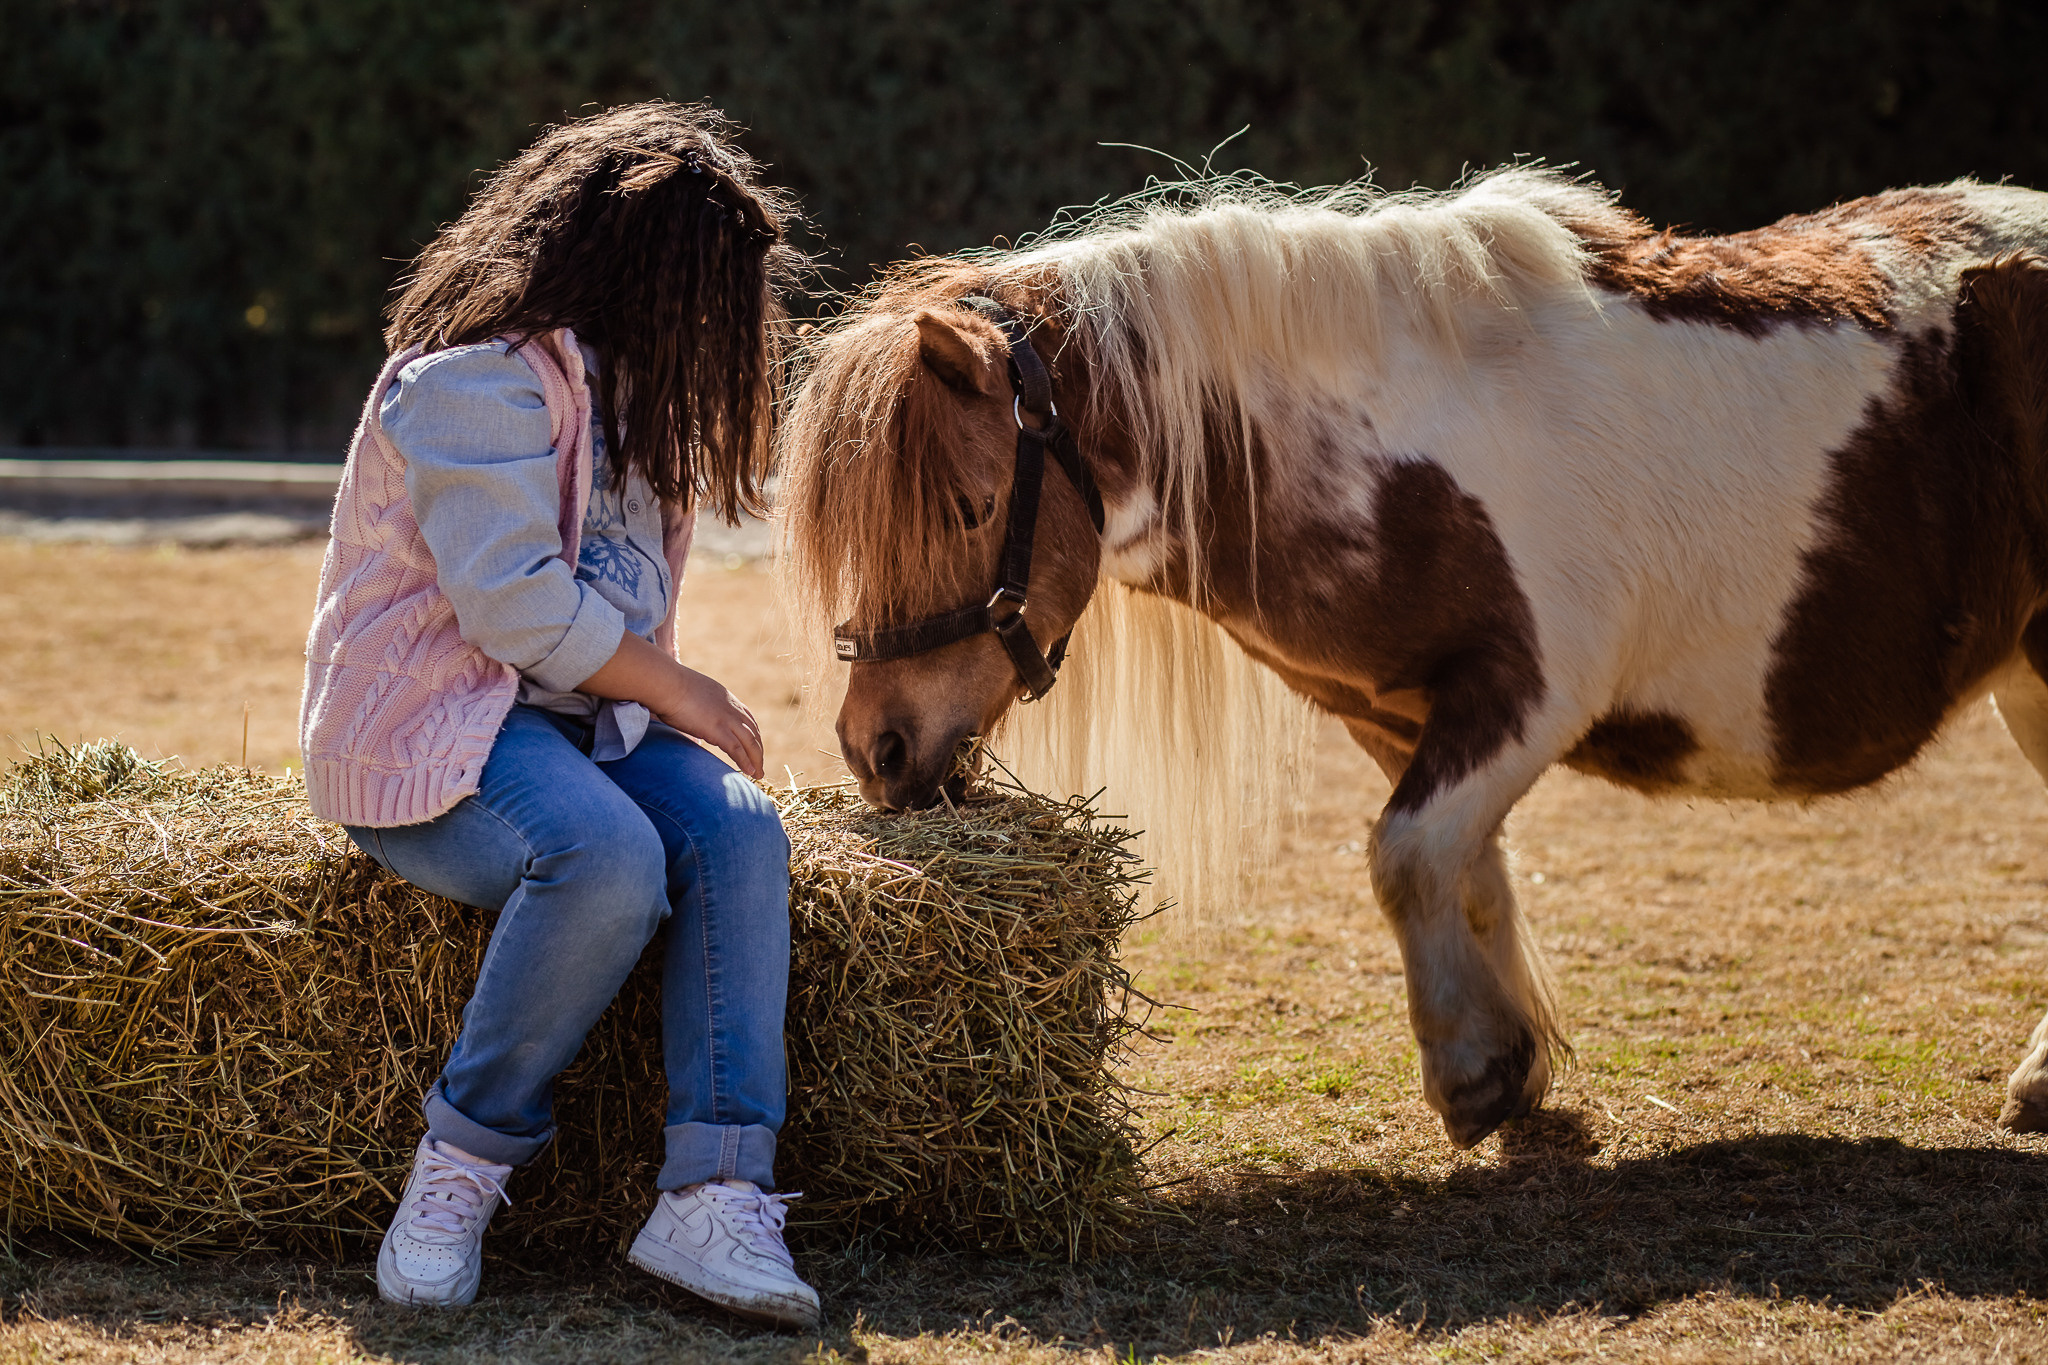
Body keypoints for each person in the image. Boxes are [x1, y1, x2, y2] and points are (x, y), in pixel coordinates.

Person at [297, 101, 815, 1328]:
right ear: (633, 270)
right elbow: (514, 611)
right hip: (438, 732)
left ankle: (713, 1190)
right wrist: (682, 690)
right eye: (705, 290)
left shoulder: (637, 393)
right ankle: (459, 1170)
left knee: (739, 833)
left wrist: (657, 708)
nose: (723, 324)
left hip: (579, 728)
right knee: (603, 857)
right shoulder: (471, 381)